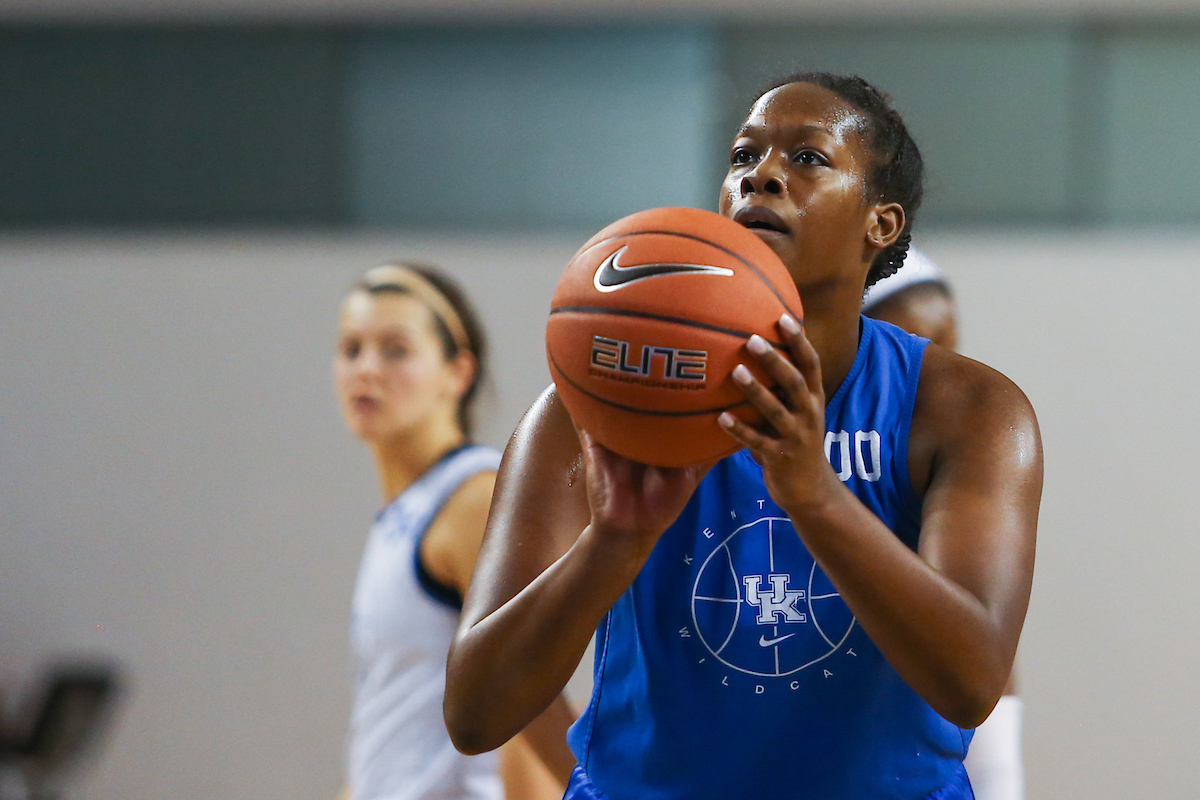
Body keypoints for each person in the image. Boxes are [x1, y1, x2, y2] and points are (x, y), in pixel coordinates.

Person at [444, 72, 1041, 800]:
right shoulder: (594, 405)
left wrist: (816, 496)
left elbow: (971, 683)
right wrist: (615, 542)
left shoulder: (968, 411)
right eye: (743, 157)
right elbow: (474, 714)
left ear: (880, 224)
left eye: (808, 158)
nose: (762, 175)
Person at [332, 262, 575, 800]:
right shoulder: (403, 514)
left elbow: (522, 697)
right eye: (351, 349)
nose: (365, 369)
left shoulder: (471, 501)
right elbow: (386, 728)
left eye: (395, 350)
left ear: (458, 373)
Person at [863, 249, 1025, 800]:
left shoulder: (958, 469)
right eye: (910, 346)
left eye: (947, 347)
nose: (934, 371)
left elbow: (987, 690)